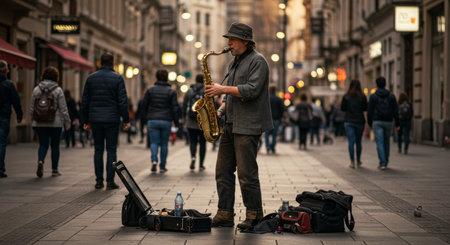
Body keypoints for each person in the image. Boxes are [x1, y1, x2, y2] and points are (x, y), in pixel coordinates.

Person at [204, 22, 272, 229]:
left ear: (245, 42)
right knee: (222, 170)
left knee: (246, 173)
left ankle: (254, 215)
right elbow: (231, 96)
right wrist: (220, 110)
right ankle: (225, 213)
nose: (229, 43)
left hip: (248, 125)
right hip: (230, 124)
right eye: (228, 39)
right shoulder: (233, 62)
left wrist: (221, 88)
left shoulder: (258, 61)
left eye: (232, 39)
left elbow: (251, 90)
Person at [81, 53, 130, 189]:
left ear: (100, 62)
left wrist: (85, 120)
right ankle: (110, 181)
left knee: (98, 150)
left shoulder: (91, 78)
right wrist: (126, 119)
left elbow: (85, 100)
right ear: (113, 63)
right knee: (111, 150)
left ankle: (98, 181)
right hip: (112, 119)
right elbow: (122, 101)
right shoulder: (117, 78)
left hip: (95, 119)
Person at [30, 66, 70, 178]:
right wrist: (67, 123)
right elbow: (63, 109)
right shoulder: (58, 90)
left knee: (43, 144)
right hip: (55, 123)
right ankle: (54, 170)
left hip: (40, 122)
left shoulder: (36, 89)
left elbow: (32, 107)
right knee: (55, 146)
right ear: (56, 77)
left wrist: (32, 121)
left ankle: (41, 161)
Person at [141, 69, 180, 173]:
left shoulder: (150, 90)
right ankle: (162, 166)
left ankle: (154, 160)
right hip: (166, 120)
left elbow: (144, 105)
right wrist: (176, 122)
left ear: (156, 78)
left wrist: (145, 119)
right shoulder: (171, 91)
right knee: (164, 144)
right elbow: (175, 108)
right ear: (167, 78)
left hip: (152, 119)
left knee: (154, 142)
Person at [368, 77, 399, 170]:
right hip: (388, 121)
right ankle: (386, 160)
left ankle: (382, 162)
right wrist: (397, 123)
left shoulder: (373, 96)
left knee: (379, 142)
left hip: (377, 121)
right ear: (385, 84)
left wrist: (370, 123)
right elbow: (395, 111)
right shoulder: (391, 96)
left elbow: (370, 111)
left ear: (376, 84)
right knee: (386, 141)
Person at [0, 60, 23, 178]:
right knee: (2, 142)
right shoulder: (9, 84)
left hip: (4, 115)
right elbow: (16, 101)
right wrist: (19, 115)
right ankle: (0, 169)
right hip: (4, 115)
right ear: (4, 70)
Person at [182, 74, 207, 170]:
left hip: (191, 121)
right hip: (203, 122)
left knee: (192, 142)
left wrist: (184, 117)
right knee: (202, 143)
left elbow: (184, 105)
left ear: (195, 80)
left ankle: (193, 157)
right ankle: (201, 164)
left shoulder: (190, 90)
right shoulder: (206, 91)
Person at [341, 80, 368, 168]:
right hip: (359, 121)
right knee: (358, 141)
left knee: (351, 142)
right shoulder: (362, 96)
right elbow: (365, 108)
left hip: (349, 121)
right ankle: (358, 160)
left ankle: (352, 161)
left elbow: (343, 108)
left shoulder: (346, 96)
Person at [264, 85, 284, 154]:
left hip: (267, 119)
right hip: (276, 119)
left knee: (266, 134)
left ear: (269, 90)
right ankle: (272, 147)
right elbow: (282, 109)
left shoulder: (266, 98)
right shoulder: (278, 99)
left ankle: (268, 146)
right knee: (274, 134)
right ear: (275, 90)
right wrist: (280, 116)